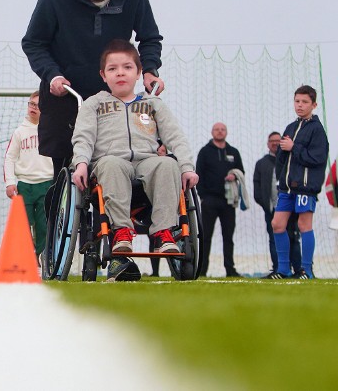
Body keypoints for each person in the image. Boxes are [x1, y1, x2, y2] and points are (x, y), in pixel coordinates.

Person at [22, 0, 163, 179]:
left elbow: (149, 38)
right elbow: (34, 43)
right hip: (67, 102)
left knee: (119, 170)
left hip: (114, 103)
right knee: (64, 179)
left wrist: (150, 69)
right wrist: (52, 75)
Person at [71, 40, 199, 282]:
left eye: (127, 67)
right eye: (113, 68)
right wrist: (80, 164)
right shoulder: (94, 103)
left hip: (147, 163)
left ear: (139, 73)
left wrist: (187, 168)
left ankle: (163, 234)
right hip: (110, 163)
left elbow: (175, 137)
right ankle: (121, 232)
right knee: (111, 163)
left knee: (168, 164)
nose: (120, 72)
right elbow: (83, 137)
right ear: (103, 75)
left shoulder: (152, 104)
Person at [264, 85, 329, 280]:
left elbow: (318, 158)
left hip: (305, 188)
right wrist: (282, 176)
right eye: (297, 101)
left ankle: (306, 271)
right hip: (287, 188)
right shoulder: (291, 127)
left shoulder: (317, 130)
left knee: (304, 225)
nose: (300, 105)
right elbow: (282, 159)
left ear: (314, 104)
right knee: (277, 224)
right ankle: (283, 270)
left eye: (305, 102)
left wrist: (294, 147)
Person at [4, 91, 54, 264]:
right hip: (25, 184)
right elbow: (9, 158)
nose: (34, 108)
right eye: (31, 104)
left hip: (47, 183)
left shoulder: (50, 129)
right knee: (23, 223)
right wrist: (10, 182)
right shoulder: (19, 132)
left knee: (43, 224)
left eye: (38, 105)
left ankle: (41, 258)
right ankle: (23, 256)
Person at [196, 122, 244, 277]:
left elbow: (241, 171)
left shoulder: (234, 152)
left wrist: (235, 175)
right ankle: (202, 270)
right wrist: (203, 196)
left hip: (228, 202)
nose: (220, 132)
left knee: (228, 237)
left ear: (227, 132)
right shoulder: (204, 152)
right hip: (209, 200)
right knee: (206, 237)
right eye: (217, 129)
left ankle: (230, 269)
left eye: (223, 129)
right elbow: (198, 174)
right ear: (212, 132)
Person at [253, 131, 301, 275]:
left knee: (293, 237)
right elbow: (257, 185)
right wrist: (264, 203)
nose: (275, 143)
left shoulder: (290, 160)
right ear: (268, 144)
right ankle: (279, 269)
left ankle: (298, 269)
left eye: (277, 140)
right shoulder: (261, 163)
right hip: (272, 208)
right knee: (274, 239)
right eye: (272, 141)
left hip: (291, 207)